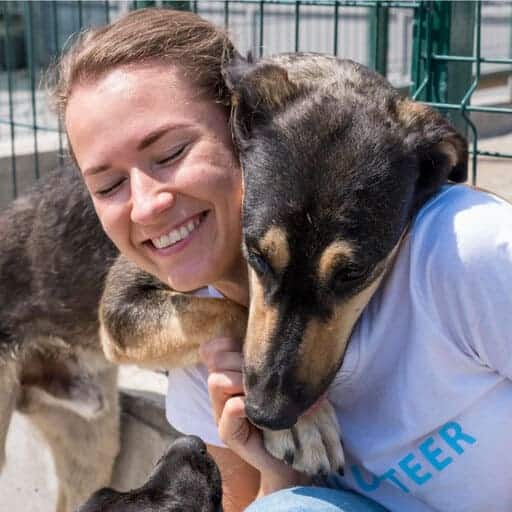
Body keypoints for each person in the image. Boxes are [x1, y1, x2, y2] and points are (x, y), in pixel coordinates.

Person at [52, 7, 512, 512]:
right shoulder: (207, 342)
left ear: (239, 135)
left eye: (172, 152)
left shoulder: (468, 250)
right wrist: (279, 470)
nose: (147, 204)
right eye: (109, 185)